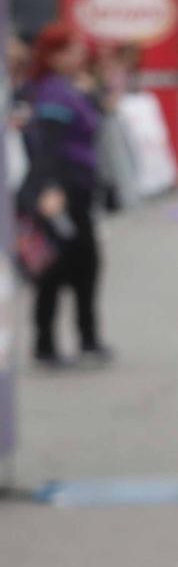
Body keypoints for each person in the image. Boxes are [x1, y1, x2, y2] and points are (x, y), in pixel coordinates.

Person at [17, 25, 112, 369]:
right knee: (56, 266)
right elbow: (49, 146)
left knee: (84, 264)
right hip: (62, 188)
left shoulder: (70, 87)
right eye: (74, 50)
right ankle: (48, 343)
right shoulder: (53, 93)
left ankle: (85, 337)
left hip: (79, 186)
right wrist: (49, 188)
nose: (80, 56)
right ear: (56, 55)